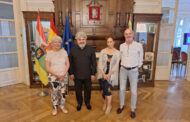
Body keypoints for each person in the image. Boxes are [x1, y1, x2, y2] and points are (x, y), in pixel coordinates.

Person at [117, 28, 143, 118]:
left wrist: (137, 67)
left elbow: (141, 58)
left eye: (130, 33)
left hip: (133, 70)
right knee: (122, 89)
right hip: (123, 70)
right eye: (126, 34)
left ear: (133, 35)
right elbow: (119, 57)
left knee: (134, 91)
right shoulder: (121, 46)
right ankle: (121, 105)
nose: (128, 35)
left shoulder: (139, 45)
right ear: (124, 35)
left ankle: (132, 108)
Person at [69, 32, 96, 111]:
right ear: (77, 40)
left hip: (88, 75)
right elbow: (70, 62)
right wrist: (71, 73)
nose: (81, 41)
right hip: (76, 75)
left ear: (86, 40)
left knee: (88, 90)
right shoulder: (73, 49)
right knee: (78, 90)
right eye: (80, 39)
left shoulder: (91, 49)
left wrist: (93, 74)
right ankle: (79, 103)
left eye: (83, 39)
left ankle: (87, 103)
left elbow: (94, 63)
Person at [45, 36, 70, 115]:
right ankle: (55, 108)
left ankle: (62, 106)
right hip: (53, 77)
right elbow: (47, 67)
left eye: (59, 42)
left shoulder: (64, 52)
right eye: (55, 42)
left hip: (63, 75)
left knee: (62, 92)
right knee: (54, 93)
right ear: (52, 44)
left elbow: (67, 64)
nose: (57, 43)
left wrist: (64, 73)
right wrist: (56, 75)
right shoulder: (49, 53)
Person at [97, 37, 120, 115]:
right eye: (108, 42)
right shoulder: (103, 51)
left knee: (108, 90)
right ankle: (105, 102)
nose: (109, 43)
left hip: (111, 75)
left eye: (111, 42)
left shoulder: (117, 52)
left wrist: (108, 75)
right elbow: (99, 63)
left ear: (114, 42)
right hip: (102, 74)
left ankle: (109, 105)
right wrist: (103, 74)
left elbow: (116, 66)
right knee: (102, 90)